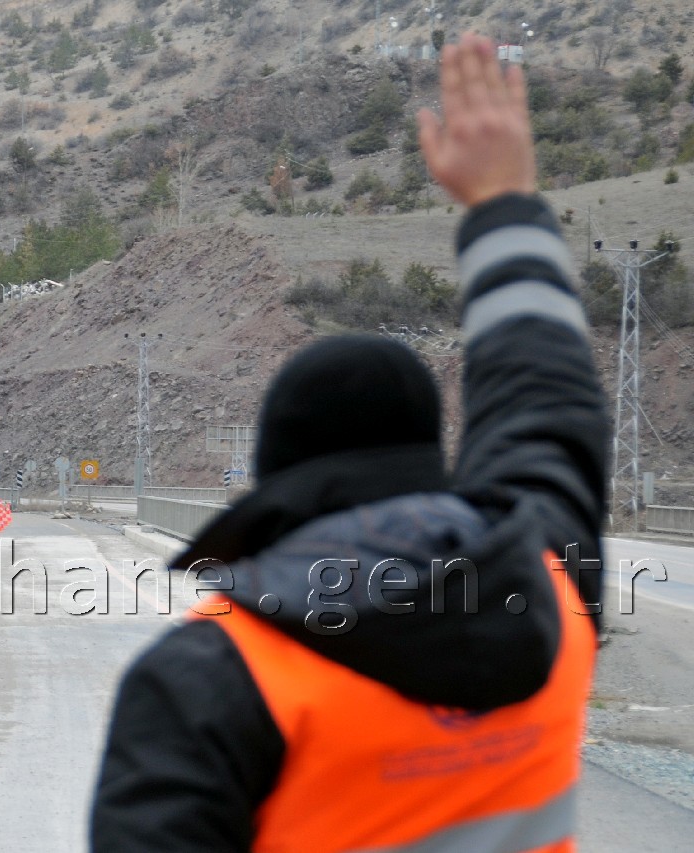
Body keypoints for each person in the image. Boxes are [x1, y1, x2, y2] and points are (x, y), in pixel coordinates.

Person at [91, 33, 608, 853]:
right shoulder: (549, 588)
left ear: (275, 483)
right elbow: (544, 403)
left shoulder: (214, 678)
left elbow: (545, 413)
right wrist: (504, 201)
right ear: (427, 460)